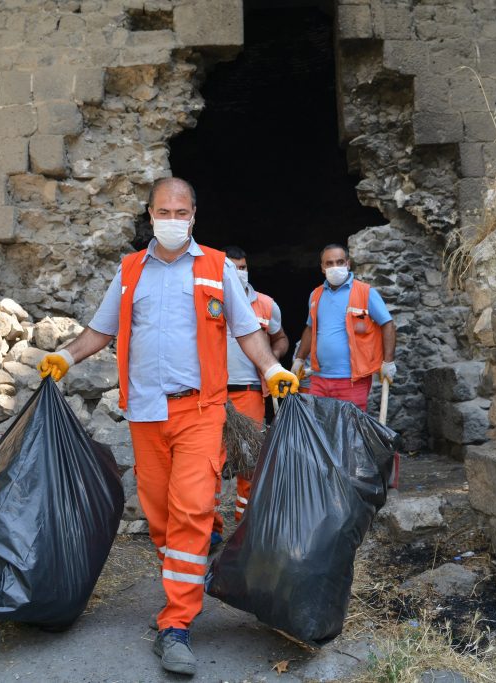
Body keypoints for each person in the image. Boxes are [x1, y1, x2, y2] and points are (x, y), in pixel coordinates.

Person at [36, 177, 299, 677]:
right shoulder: (131, 270)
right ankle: (190, 572)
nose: (172, 219)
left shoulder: (217, 266)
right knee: (159, 516)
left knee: (195, 508)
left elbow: (248, 330)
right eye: (163, 210)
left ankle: (176, 621)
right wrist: (65, 356)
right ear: (150, 213)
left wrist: (272, 371)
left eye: (181, 211)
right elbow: (101, 329)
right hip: (145, 413)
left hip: (200, 411)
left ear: (194, 215)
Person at [213, 246, 288, 530]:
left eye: (243, 267)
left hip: (250, 391)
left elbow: (280, 338)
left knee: (250, 457)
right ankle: (211, 527)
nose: (239, 273)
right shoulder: (208, 301)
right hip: (212, 393)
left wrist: (273, 361)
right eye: (232, 268)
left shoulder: (266, 304)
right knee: (210, 461)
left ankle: (247, 524)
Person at [291, 243, 396, 412]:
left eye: (340, 262)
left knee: (349, 432)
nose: (335, 267)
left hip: (353, 381)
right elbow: (310, 329)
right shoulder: (316, 295)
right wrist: (299, 359)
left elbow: (387, 324)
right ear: (322, 268)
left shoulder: (365, 292)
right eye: (329, 263)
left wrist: (388, 362)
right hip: (319, 378)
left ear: (348, 264)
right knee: (319, 431)